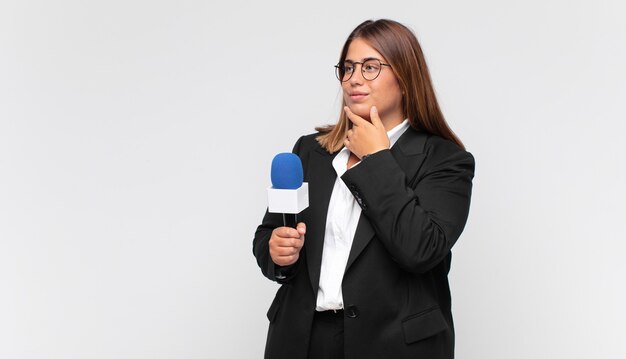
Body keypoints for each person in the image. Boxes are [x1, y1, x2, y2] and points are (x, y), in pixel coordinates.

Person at [253, 19, 475, 359]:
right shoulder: (310, 151)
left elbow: (421, 249)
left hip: (393, 345)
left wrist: (376, 158)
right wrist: (277, 252)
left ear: (404, 77)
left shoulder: (445, 160)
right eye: (348, 67)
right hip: (302, 341)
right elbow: (270, 233)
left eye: (370, 67)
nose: (354, 78)